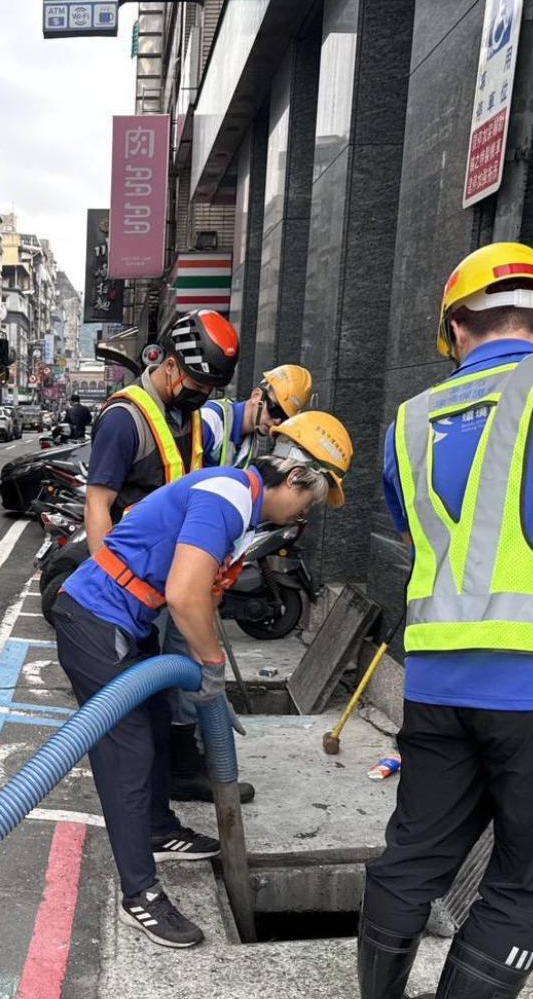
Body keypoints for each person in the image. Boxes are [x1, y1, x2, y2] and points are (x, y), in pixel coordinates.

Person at [360, 241, 533, 999]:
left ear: (454, 328)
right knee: (532, 874)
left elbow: (414, 535)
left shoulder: (408, 421)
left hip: (437, 680)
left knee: (415, 849)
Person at [57, 414, 352, 948]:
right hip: (94, 619)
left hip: (124, 621)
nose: (304, 516)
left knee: (153, 724)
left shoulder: (241, 506)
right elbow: (184, 593)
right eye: (308, 503)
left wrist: (207, 676)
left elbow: (204, 597)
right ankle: (140, 894)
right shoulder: (229, 497)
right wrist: (213, 667)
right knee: (127, 753)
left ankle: (157, 829)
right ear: (295, 478)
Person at [83, 309, 250, 806]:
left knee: (183, 666)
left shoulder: (189, 416)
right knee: (144, 682)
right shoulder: (124, 419)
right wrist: (111, 590)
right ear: (170, 364)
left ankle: (183, 764)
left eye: (210, 388)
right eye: (197, 383)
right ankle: (154, 783)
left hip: (178, 574)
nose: (202, 395)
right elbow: (98, 504)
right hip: (136, 580)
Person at [201, 363, 315, 468]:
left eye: (285, 418)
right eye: (275, 410)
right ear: (256, 395)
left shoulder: (252, 443)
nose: (277, 421)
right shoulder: (211, 420)